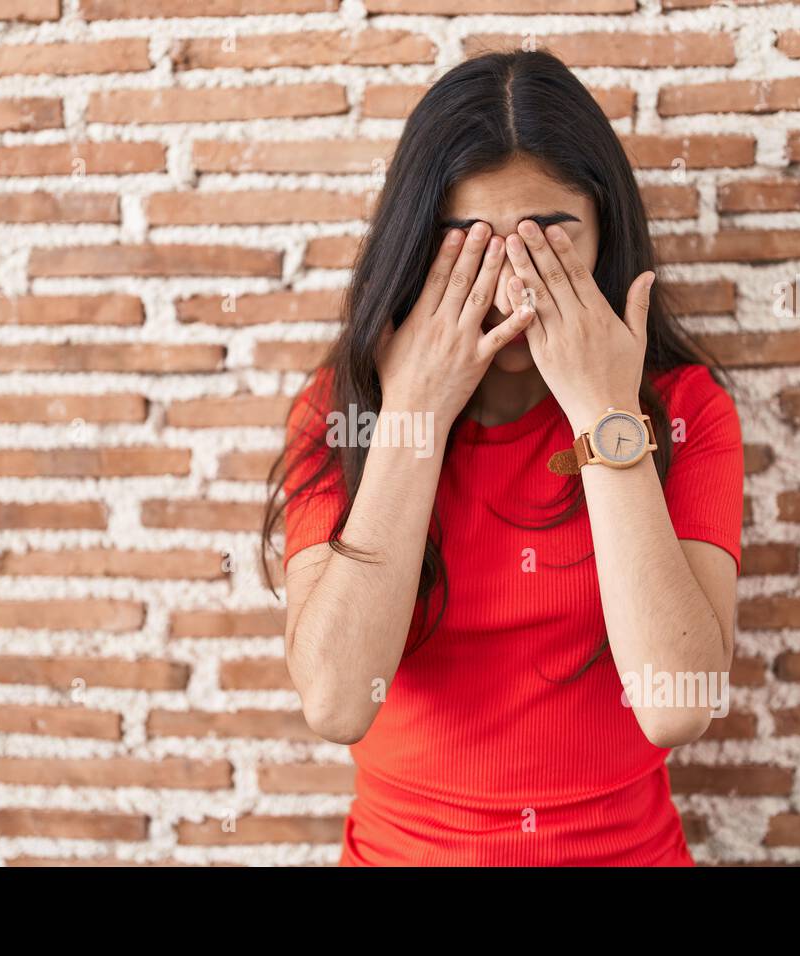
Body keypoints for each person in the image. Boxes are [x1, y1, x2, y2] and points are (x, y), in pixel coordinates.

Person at [261, 49, 745, 866]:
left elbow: (675, 706)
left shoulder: (687, 410)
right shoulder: (341, 411)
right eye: (470, 249)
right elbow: (339, 703)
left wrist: (604, 413)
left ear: (606, 233)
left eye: (550, 245)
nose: (513, 291)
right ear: (417, 248)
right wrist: (417, 410)